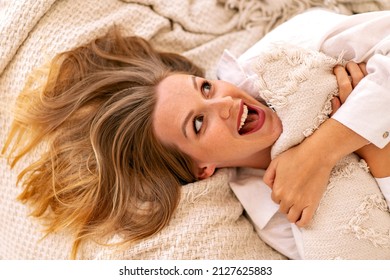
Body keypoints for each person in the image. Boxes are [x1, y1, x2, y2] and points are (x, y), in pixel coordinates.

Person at [2, 10, 389, 258]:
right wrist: (372, 151)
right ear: (203, 168)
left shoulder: (287, 55)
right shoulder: (272, 215)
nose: (224, 103)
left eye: (205, 87)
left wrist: (324, 148)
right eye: (198, 124)